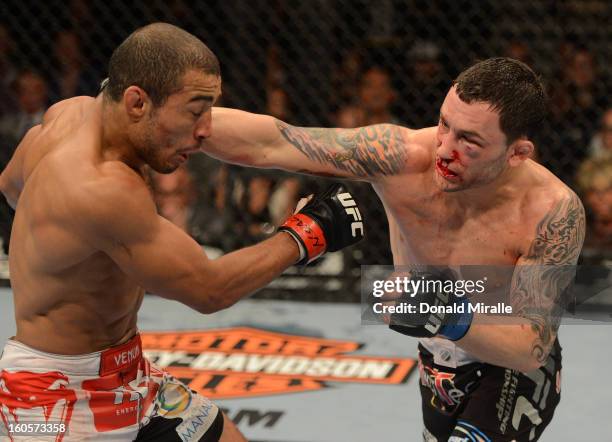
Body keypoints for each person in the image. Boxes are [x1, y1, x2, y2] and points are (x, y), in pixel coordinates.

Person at [0, 23, 364, 441]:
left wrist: (63, 240)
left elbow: (12, 187)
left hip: (127, 373)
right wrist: (308, 232)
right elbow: (209, 290)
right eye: (195, 110)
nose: (207, 127)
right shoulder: (100, 189)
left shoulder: (67, 115)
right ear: (137, 101)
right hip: (59, 399)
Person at [200, 57, 586, 441]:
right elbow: (275, 142)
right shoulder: (400, 157)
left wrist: (441, 313)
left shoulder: (551, 212)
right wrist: (180, 123)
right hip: (438, 361)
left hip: (509, 365)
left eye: (469, 141)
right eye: (444, 125)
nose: (445, 149)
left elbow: (529, 346)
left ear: (517, 153)